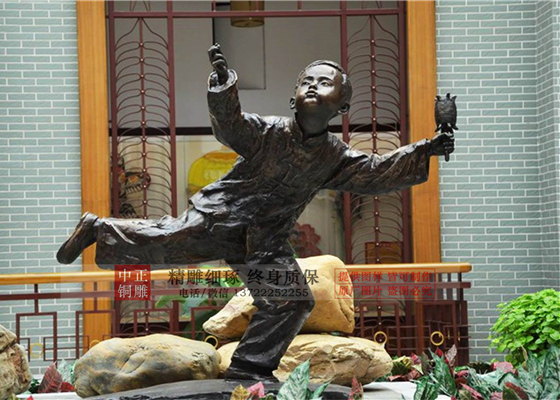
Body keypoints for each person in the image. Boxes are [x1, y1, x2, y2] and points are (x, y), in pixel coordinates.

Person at [57, 43, 454, 380]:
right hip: (224, 216)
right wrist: (222, 85)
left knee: (291, 299)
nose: (312, 86)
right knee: (166, 242)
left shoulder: (334, 156)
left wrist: (428, 148)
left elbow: (376, 172)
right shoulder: (269, 131)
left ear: (343, 106)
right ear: (292, 99)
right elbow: (231, 127)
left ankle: (248, 369)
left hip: (265, 242)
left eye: (324, 82)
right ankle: (98, 229)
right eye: (306, 81)